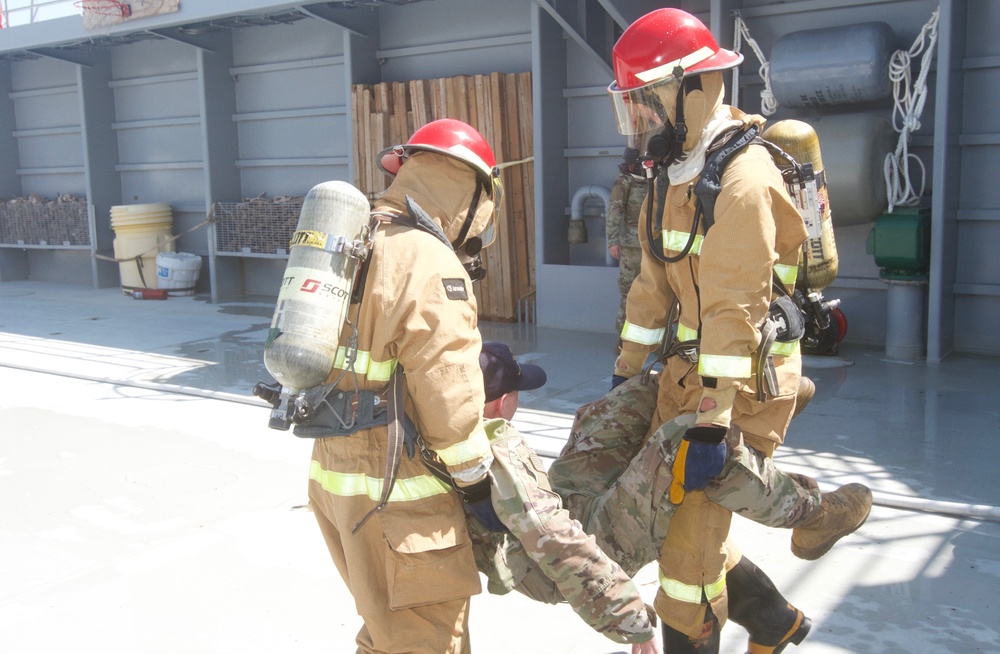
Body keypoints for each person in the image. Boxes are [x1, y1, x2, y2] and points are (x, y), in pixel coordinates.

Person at [605, 8, 871, 652]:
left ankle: (815, 513)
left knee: (687, 564)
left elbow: (733, 308)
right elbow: (652, 283)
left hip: (744, 380)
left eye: (648, 105)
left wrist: (712, 422)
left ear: (692, 92)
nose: (640, 124)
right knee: (687, 529)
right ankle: (777, 624)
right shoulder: (674, 175)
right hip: (689, 371)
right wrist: (623, 376)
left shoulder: (745, 180)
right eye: (631, 110)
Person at [471, 343, 865, 654]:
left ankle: (744, 421)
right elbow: (558, 544)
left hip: (555, 512)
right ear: (501, 403)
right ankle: (812, 514)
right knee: (689, 440)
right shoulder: (498, 456)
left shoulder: (461, 423)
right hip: (554, 564)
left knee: (640, 393)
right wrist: (633, 622)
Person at [300, 118, 506, 654]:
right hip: (399, 495)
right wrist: (478, 484)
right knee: (427, 640)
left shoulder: (359, 237)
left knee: (387, 630)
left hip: (336, 481)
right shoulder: (429, 260)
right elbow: (448, 392)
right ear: (471, 193)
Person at [608, 150, 648, 340]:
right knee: (628, 292)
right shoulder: (624, 181)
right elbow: (615, 210)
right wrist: (613, 240)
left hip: (654, 246)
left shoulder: (655, 180)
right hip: (632, 246)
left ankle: (650, 340)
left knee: (653, 293)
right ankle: (624, 339)